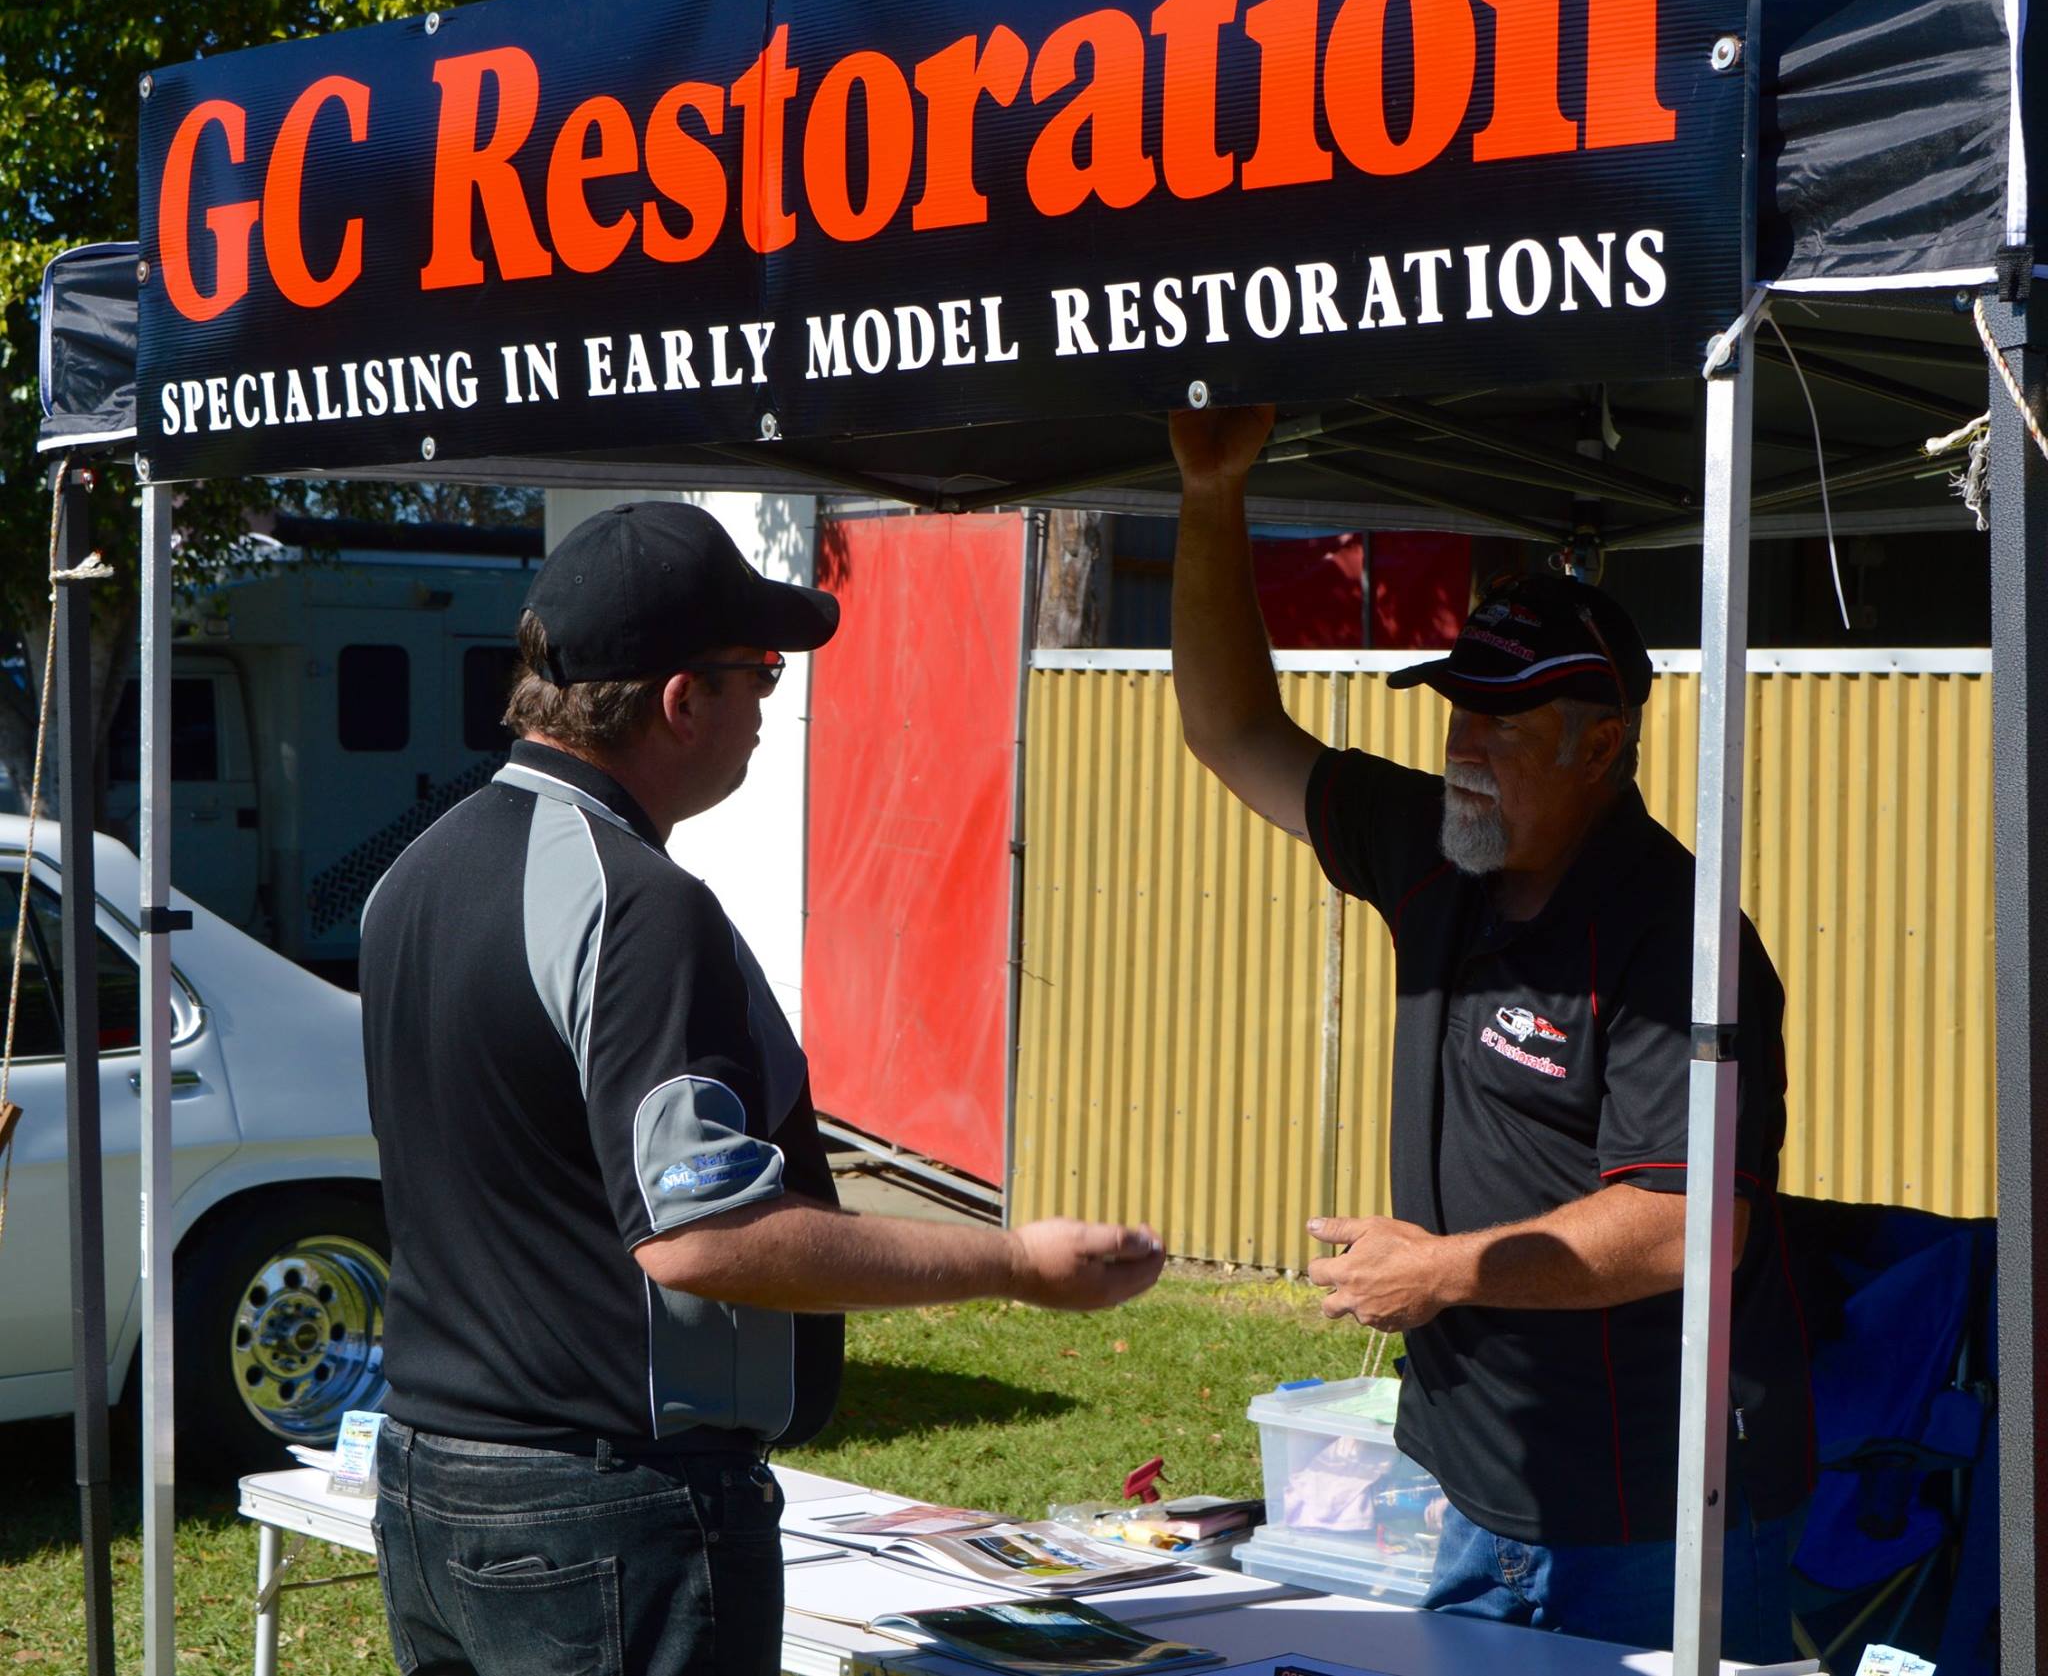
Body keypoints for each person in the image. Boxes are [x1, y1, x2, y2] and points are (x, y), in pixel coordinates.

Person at [359, 500, 1165, 1676]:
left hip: (431, 1483)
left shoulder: (411, 874)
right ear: (682, 701)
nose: (766, 712)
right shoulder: (639, 905)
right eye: (761, 676)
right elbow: (702, 1235)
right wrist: (1014, 1266)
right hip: (606, 1512)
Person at [1168, 406, 1811, 1661]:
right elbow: (1232, 731)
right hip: (1476, 1483)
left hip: (1650, 1508)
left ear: (1600, 744)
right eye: (1456, 712)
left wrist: (1441, 1271)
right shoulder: (1435, 849)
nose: (1461, 750)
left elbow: (1684, 1224)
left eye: (1500, 726)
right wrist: (1209, 493)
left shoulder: (1677, 938)